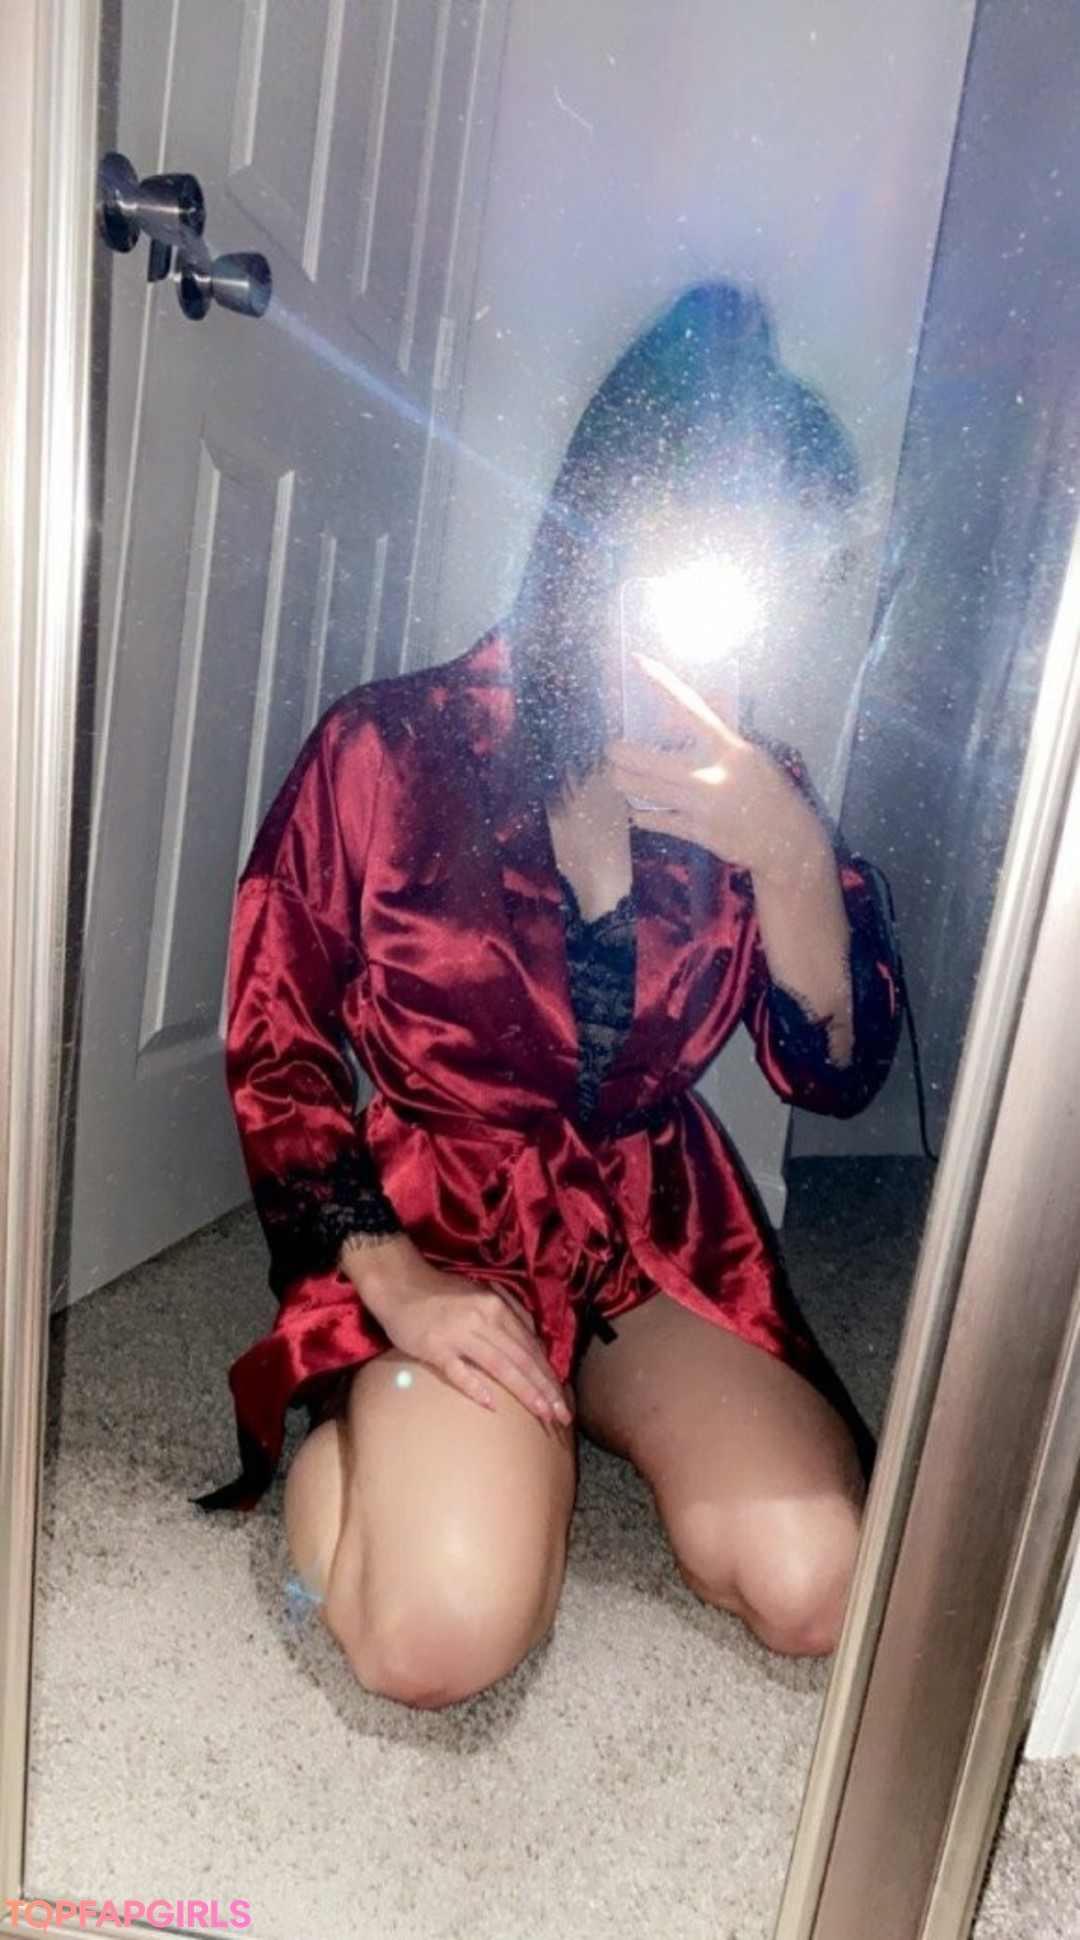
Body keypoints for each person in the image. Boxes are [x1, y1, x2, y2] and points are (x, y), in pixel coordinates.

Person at [195, 283, 902, 1710]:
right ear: (602, 529)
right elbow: (276, 1041)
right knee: (437, 1636)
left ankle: (543, 1426)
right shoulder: (392, 747)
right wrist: (388, 1277)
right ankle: (360, 1457)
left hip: (646, 1231)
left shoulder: (755, 794)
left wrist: (791, 857)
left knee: (823, 1580)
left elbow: (831, 1074)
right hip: (435, 1223)